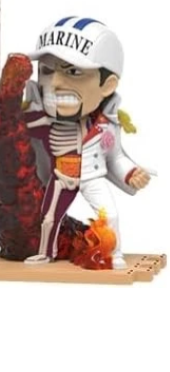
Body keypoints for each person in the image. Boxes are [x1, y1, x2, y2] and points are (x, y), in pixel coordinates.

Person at [23, 17, 151, 269]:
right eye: (47, 71)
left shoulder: (106, 125)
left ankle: (112, 254)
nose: (55, 83)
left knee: (110, 215)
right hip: (61, 176)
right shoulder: (40, 119)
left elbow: (115, 157)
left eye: (73, 72)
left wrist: (131, 173)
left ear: (107, 85)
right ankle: (45, 252)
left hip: (93, 177)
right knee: (48, 219)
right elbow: (16, 132)